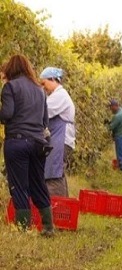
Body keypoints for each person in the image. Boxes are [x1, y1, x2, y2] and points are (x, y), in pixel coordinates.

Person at [0, 54, 54, 236]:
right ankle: (48, 227)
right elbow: (45, 120)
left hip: (17, 142)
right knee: (38, 183)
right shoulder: (40, 90)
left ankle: (23, 229)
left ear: (11, 69)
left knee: (19, 185)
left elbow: (6, 114)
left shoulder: (10, 87)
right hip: (38, 143)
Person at [40, 67, 76, 197]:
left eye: (44, 83)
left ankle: (56, 209)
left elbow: (42, 112)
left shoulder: (59, 96)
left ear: (53, 79)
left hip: (61, 141)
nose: (44, 88)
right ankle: (65, 209)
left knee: (53, 176)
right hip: (60, 141)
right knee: (57, 173)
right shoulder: (58, 95)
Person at [107, 99, 122, 174]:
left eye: (111, 107)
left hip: (120, 136)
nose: (111, 109)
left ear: (115, 106)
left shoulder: (117, 116)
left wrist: (106, 125)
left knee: (121, 153)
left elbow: (110, 127)